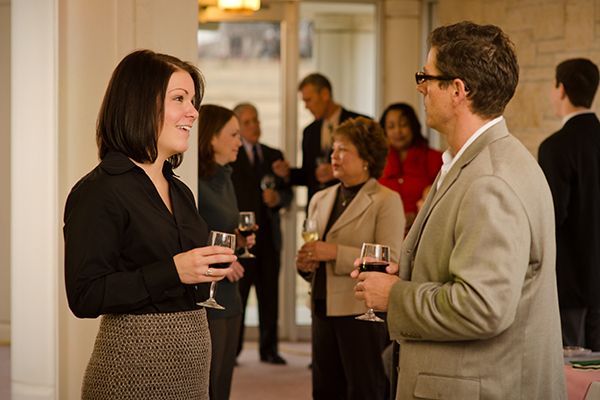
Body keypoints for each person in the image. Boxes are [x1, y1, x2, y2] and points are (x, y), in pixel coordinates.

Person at [353, 21, 566, 399]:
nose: (420, 87)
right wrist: (411, 272)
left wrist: (396, 297)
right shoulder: (474, 161)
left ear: (457, 90)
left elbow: (482, 306)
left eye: (426, 76)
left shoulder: (491, 182)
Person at [63, 50, 237, 399]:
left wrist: (204, 270)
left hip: (190, 370)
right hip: (132, 370)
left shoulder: (180, 190)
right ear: (140, 104)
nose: (193, 112)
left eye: (193, 100)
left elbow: (185, 276)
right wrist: (173, 271)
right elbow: (85, 296)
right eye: (179, 99)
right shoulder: (98, 191)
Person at [296, 116, 405, 399]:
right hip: (321, 305)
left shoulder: (386, 199)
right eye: (333, 149)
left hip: (360, 309)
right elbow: (312, 253)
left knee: (364, 388)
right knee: (324, 389)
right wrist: (305, 265)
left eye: (343, 149)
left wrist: (333, 253)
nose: (334, 156)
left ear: (367, 158)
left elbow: (390, 258)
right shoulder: (320, 198)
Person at [538, 58, 600, 351]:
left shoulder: (555, 147)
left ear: (560, 89)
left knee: (571, 380)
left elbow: (551, 218)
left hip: (570, 284)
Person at [197, 104, 256, 400]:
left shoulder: (226, 176)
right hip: (208, 295)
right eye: (233, 134)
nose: (239, 140)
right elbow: (188, 235)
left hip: (231, 293)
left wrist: (240, 242)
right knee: (209, 386)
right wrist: (220, 255)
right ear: (210, 139)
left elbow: (221, 230)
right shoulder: (193, 184)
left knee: (223, 383)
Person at [230, 102, 293, 365]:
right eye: (247, 122)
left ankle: (269, 350)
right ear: (238, 128)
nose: (254, 125)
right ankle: (232, 352)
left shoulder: (273, 155)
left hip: (269, 240)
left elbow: (288, 194)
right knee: (239, 297)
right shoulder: (231, 156)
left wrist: (277, 197)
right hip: (243, 239)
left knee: (270, 298)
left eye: (256, 120)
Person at [272, 73, 366, 205]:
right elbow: (308, 174)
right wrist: (288, 173)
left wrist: (338, 171)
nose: (306, 106)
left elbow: (372, 165)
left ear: (325, 94)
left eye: (308, 100)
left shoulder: (360, 124)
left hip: (352, 204)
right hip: (318, 208)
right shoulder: (309, 131)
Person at [378, 103, 442, 233]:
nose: (398, 131)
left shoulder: (435, 159)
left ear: (413, 126)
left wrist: (417, 215)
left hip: (423, 233)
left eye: (403, 125)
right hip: (385, 234)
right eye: (391, 126)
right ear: (384, 131)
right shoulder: (377, 161)